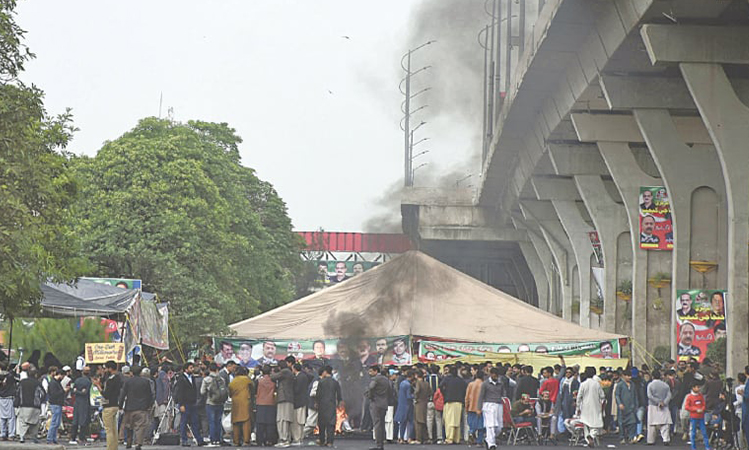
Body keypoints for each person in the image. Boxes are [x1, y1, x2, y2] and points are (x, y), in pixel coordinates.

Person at [119, 365, 154, 450]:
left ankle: (128, 441)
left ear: (131, 372)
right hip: (142, 408)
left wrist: (120, 406)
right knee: (140, 427)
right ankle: (138, 443)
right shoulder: (145, 382)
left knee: (128, 425)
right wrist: (149, 405)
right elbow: (150, 395)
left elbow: (123, 394)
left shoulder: (128, 382)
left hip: (129, 407)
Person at [174, 362, 204, 447]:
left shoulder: (193, 378)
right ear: (186, 369)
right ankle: (184, 440)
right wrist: (181, 404)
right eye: (191, 368)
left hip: (193, 403)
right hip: (185, 403)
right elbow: (180, 392)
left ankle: (199, 439)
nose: (192, 369)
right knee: (184, 422)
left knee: (195, 422)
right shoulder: (181, 378)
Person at [200, 363, 228, 447]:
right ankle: (219, 439)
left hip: (210, 402)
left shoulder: (206, 379)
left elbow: (202, 392)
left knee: (211, 422)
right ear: (217, 370)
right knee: (218, 421)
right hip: (220, 403)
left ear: (209, 369)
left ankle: (213, 440)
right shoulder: (222, 379)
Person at [478, 366, 506, 450]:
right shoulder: (485, 384)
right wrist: (478, 408)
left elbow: (503, 394)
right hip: (488, 405)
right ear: (490, 374)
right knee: (490, 425)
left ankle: (487, 439)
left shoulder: (501, 383)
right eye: (493, 375)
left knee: (499, 427)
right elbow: (481, 396)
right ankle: (491, 444)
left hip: (498, 405)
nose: (495, 377)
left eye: (496, 375)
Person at [577, 367, 605, 447]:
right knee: (597, 424)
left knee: (585, 424)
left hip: (585, 406)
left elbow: (579, 397)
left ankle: (588, 439)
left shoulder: (583, 384)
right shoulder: (597, 384)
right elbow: (602, 396)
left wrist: (578, 408)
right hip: (595, 406)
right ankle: (592, 436)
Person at [315, 365, 342, 447]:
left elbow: (318, 394)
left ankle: (322, 440)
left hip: (322, 404)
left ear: (325, 372)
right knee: (331, 424)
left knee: (322, 423)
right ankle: (330, 441)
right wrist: (339, 402)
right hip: (331, 404)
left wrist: (316, 403)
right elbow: (339, 394)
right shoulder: (335, 382)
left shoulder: (321, 382)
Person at [99, 361, 123, 450]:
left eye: (105, 368)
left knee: (108, 430)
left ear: (109, 368)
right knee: (114, 430)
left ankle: (110, 448)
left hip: (108, 406)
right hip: (115, 405)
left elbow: (106, 394)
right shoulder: (118, 378)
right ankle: (114, 447)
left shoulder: (110, 380)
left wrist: (98, 386)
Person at [15, 367, 43, 443]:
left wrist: (16, 404)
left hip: (23, 404)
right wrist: (40, 402)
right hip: (35, 406)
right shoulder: (37, 383)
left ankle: (21, 436)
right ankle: (34, 437)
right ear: (36, 374)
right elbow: (43, 394)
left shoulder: (22, 382)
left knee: (22, 422)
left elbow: (17, 393)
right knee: (35, 422)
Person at [271, 359, 295, 447]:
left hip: (284, 398)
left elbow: (272, 377)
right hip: (287, 398)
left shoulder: (285, 372)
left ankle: (284, 439)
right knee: (285, 419)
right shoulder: (288, 372)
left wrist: (272, 371)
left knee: (282, 419)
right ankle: (286, 439)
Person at [440, 365, 467, 444]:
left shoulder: (447, 379)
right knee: (457, 421)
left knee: (449, 421)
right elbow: (465, 389)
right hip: (459, 402)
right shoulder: (461, 380)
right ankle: (457, 438)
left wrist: (445, 394)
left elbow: (440, 386)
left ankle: (449, 438)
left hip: (449, 401)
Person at [228, 366, 253, 446]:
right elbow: (253, 388)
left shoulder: (233, 381)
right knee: (246, 422)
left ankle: (236, 441)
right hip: (246, 402)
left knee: (235, 422)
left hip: (235, 403)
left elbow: (230, 393)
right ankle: (246, 441)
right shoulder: (247, 379)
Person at [367, 365, 390, 450]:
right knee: (382, 423)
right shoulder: (386, 380)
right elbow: (391, 391)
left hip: (376, 403)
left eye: (371, 371)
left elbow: (371, 388)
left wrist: (370, 396)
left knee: (377, 424)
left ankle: (378, 444)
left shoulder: (375, 379)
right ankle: (382, 442)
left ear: (375, 371)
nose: (369, 373)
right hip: (384, 403)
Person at [646, 369, 671, 445]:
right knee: (665, 423)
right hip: (664, 406)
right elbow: (669, 395)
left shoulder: (650, 385)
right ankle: (666, 439)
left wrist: (657, 402)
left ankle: (651, 440)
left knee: (652, 424)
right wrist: (664, 402)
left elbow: (649, 396)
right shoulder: (665, 385)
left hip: (653, 406)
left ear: (652, 376)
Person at [684, 380, 712, 450]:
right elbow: (687, 407)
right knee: (693, 433)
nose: (698, 389)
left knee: (704, 432)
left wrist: (702, 409)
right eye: (697, 387)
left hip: (701, 416)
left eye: (698, 387)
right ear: (693, 388)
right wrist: (695, 409)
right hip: (694, 416)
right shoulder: (690, 397)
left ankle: (707, 447)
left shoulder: (700, 396)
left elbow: (703, 404)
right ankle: (693, 447)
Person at [69, 365, 92, 444]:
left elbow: (73, 390)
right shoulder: (88, 382)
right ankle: (81, 437)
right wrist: (81, 392)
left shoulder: (77, 380)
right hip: (85, 402)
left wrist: (76, 391)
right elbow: (85, 393)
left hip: (77, 402)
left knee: (75, 419)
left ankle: (73, 437)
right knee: (83, 420)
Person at [394, 369, 415, 443]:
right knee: (411, 422)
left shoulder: (402, 383)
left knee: (402, 422)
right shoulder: (408, 385)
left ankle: (401, 438)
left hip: (401, 404)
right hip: (408, 405)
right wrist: (414, 395)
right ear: (412, 376)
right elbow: (409, 396)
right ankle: (410, 438)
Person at [291, 363, 309, 446]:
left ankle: (297, 439)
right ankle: (300, 438)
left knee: (296, 422)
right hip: (303, 401)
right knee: (301, 422)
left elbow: (296, 390)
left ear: (294, 369)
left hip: (297, 402)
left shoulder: (298, 377)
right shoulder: (304, 376)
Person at [413, 370, 432, 444]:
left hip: (419, 403)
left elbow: (417, 391)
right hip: (425, 402)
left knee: (418, 421)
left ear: (417, 375)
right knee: (423, 421)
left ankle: (419, 438)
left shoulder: (418, 383)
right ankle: (426, 438)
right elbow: (430, 392)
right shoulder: (426, 383)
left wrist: (415, 398)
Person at [425, 365, 443, 444]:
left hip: (429, 400)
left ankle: (430, 437)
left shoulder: (427, 379)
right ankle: (439, 437)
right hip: (438, 401)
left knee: (429, 419)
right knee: (438, 419)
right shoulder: (440, 379)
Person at [0, 362, 16, 441]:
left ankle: (2, 434)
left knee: (2, 417)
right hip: (9, 397)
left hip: (1, 398)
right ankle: (11, 434)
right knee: (11, 417)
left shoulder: (5, 376)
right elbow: (12, 376)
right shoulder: (10, 376)